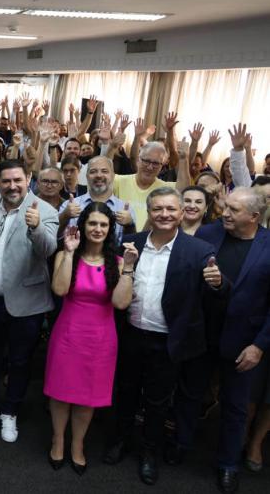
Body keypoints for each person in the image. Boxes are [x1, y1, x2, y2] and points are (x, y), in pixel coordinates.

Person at [103, 187, 224, 487]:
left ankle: (149, 454)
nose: (164, 215)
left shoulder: (199, 251)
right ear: (150, 213)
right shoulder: (131, 243)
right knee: (125, 392)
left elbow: (215, 294)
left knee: (157, 403)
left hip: (168, 342)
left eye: (171, 209)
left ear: (181, 213)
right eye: (158, 209)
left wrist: (218, 283)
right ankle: (120, 441)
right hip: (131, 334)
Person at [169, 188, 270, 493]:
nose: (225, 213)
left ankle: (228, 463)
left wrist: (260, 346)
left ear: (253, 217)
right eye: (226, 207)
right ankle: (180, 444)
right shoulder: (208, 232)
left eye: (234, 210)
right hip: (201, 333)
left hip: (244, 342)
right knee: (189, 394)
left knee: (235, 407)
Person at [0, 160, 58, 443]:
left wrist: (36, 229)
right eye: (6, 181)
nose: (12, 186)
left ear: (28, 178)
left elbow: (48, 250)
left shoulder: (45, 211)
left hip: (27, 303)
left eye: (17, 180)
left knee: (20, 361)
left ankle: (10, 412)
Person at [45, 203, 134, 475]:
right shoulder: (65, 254)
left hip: (100, 340)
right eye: (92, 223)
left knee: (87, 397)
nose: (97, 229)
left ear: (110, 230)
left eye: (103, 225)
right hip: (68, 334)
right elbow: (59, 289)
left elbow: (120, 303)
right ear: (83, 226)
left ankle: (78, 444)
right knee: (61, 392)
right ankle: (58, 439)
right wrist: (71, 253)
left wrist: (129, 268)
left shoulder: (117, 263)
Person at [59, 156, 136, 244]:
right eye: (93, 171)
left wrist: (130, 225)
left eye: (104, 171)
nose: (99, 175)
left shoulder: (125, 209)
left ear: (113, 176)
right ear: (87, 176)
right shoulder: (69, 205)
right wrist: (65, 215)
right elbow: (54, 239)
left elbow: (132, 245)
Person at [113, 141, 190, 221]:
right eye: (146, 161)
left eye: (156, 163)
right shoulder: (119, 180)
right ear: (138, 160)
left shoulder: (165, 189)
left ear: (162, 166)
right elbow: (101, 174)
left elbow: (185, 192)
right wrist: (109, 146)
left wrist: (184, 159)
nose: (150, 167)